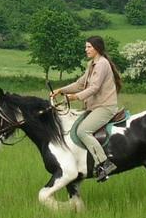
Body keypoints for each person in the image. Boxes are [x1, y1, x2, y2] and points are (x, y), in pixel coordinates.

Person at [51, 36, 122, 181]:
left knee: (83, 131)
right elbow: (79, 84)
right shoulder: (92, 64)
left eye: (89, 47)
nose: (86, 49)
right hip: (94, 107)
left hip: (105, 107)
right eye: (86, 47)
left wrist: (75, 97)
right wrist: (61, 90)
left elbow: (94, 87)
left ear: (97, 48)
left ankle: (105, 164)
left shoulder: (102, 64)